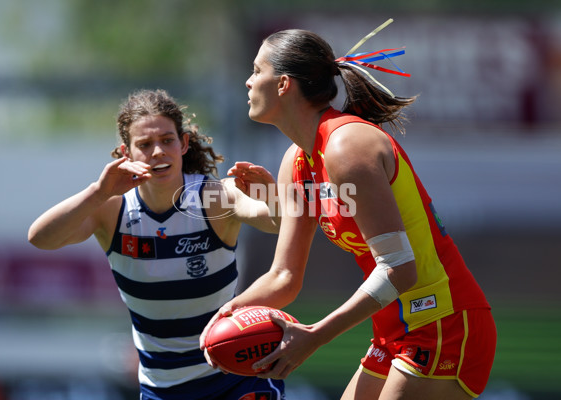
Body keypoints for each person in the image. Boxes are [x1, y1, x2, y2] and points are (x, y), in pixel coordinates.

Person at [200, 21, 496, 400]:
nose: (247, 81)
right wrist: (222, 318)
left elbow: (400, 269)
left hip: (445, 323)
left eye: (257, 71)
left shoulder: (347, 147)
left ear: (283, 84)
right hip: (393, 332)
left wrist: (315, 336)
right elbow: (284, 276)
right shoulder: (298, 161)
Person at [28, 89, 286, 400]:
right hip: (163, 389)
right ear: (127, 153)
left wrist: (272, 197)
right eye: (145, 144)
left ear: (183, 144)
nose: (158, 151)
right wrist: (97, 192)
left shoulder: (213, 197)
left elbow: (275, 221)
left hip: (238, 376)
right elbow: (41, 238)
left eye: (167, 140)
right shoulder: (111, 210)